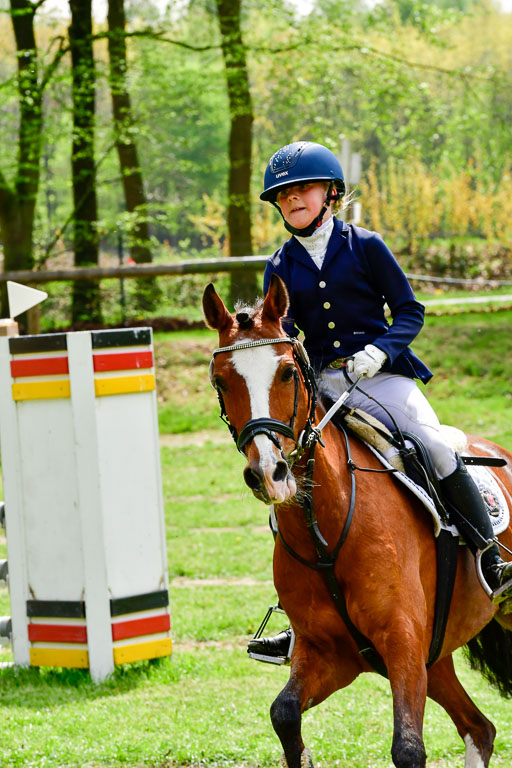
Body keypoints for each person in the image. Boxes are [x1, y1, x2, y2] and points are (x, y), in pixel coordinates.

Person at [247, 140, 512, 661]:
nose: (293, 198)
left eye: (303, 188)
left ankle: (490, 560)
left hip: (383, 377)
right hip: (322, 386)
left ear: (331, 193)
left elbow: (410, 311)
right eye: (283, 194)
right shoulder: (279, 264)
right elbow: (284, 330)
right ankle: (300, 615)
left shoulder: (365, 245)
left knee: (435, 447)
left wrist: (379, 350)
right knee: (290, 478)